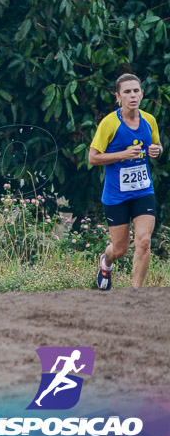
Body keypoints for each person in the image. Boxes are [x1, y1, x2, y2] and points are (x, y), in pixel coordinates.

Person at [87, 73, 162, 290]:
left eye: (136, 91)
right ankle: (106, 262)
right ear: (118, 96)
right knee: (120, 249)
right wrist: (123, 154)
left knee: (144, 241)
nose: (133, 96)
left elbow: (156, 146)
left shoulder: (149, 120)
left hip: (143, 191)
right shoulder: (109, 123)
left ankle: (134, 293)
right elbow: (93, 157)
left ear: (142, 93)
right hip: (116, 195)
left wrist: (157, 150)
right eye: (127, 92)